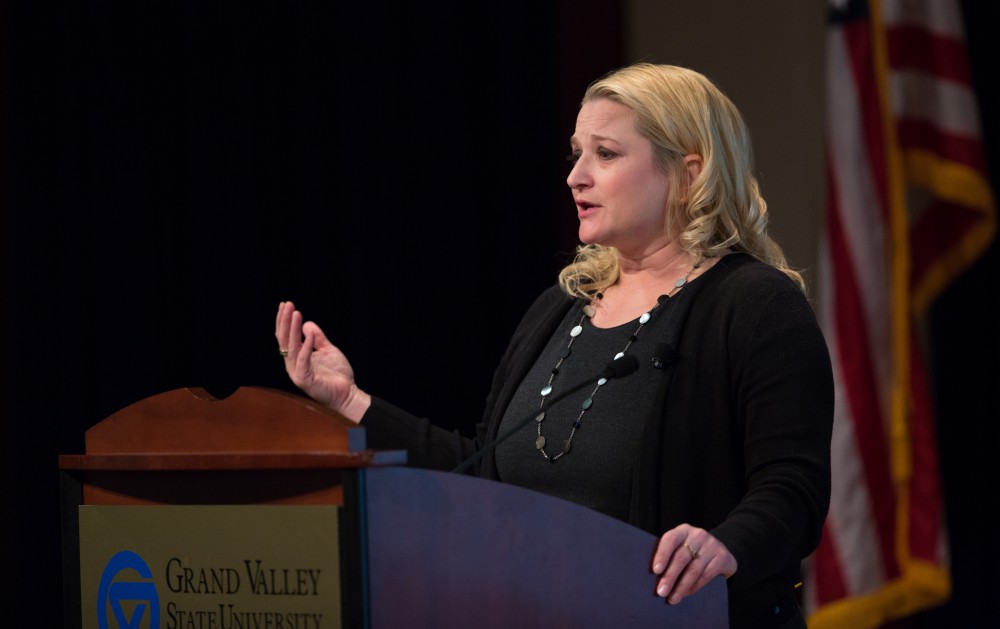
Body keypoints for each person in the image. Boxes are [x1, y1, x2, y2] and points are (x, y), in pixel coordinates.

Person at [275, 62, 833, 629]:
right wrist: (348, 400)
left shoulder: (754, 306)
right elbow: (484, 474)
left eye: (606, 154)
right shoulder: (560, 309)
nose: (576, 176)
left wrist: (725, 544)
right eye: (576, 154)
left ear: (688, 173)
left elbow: (794, 489)